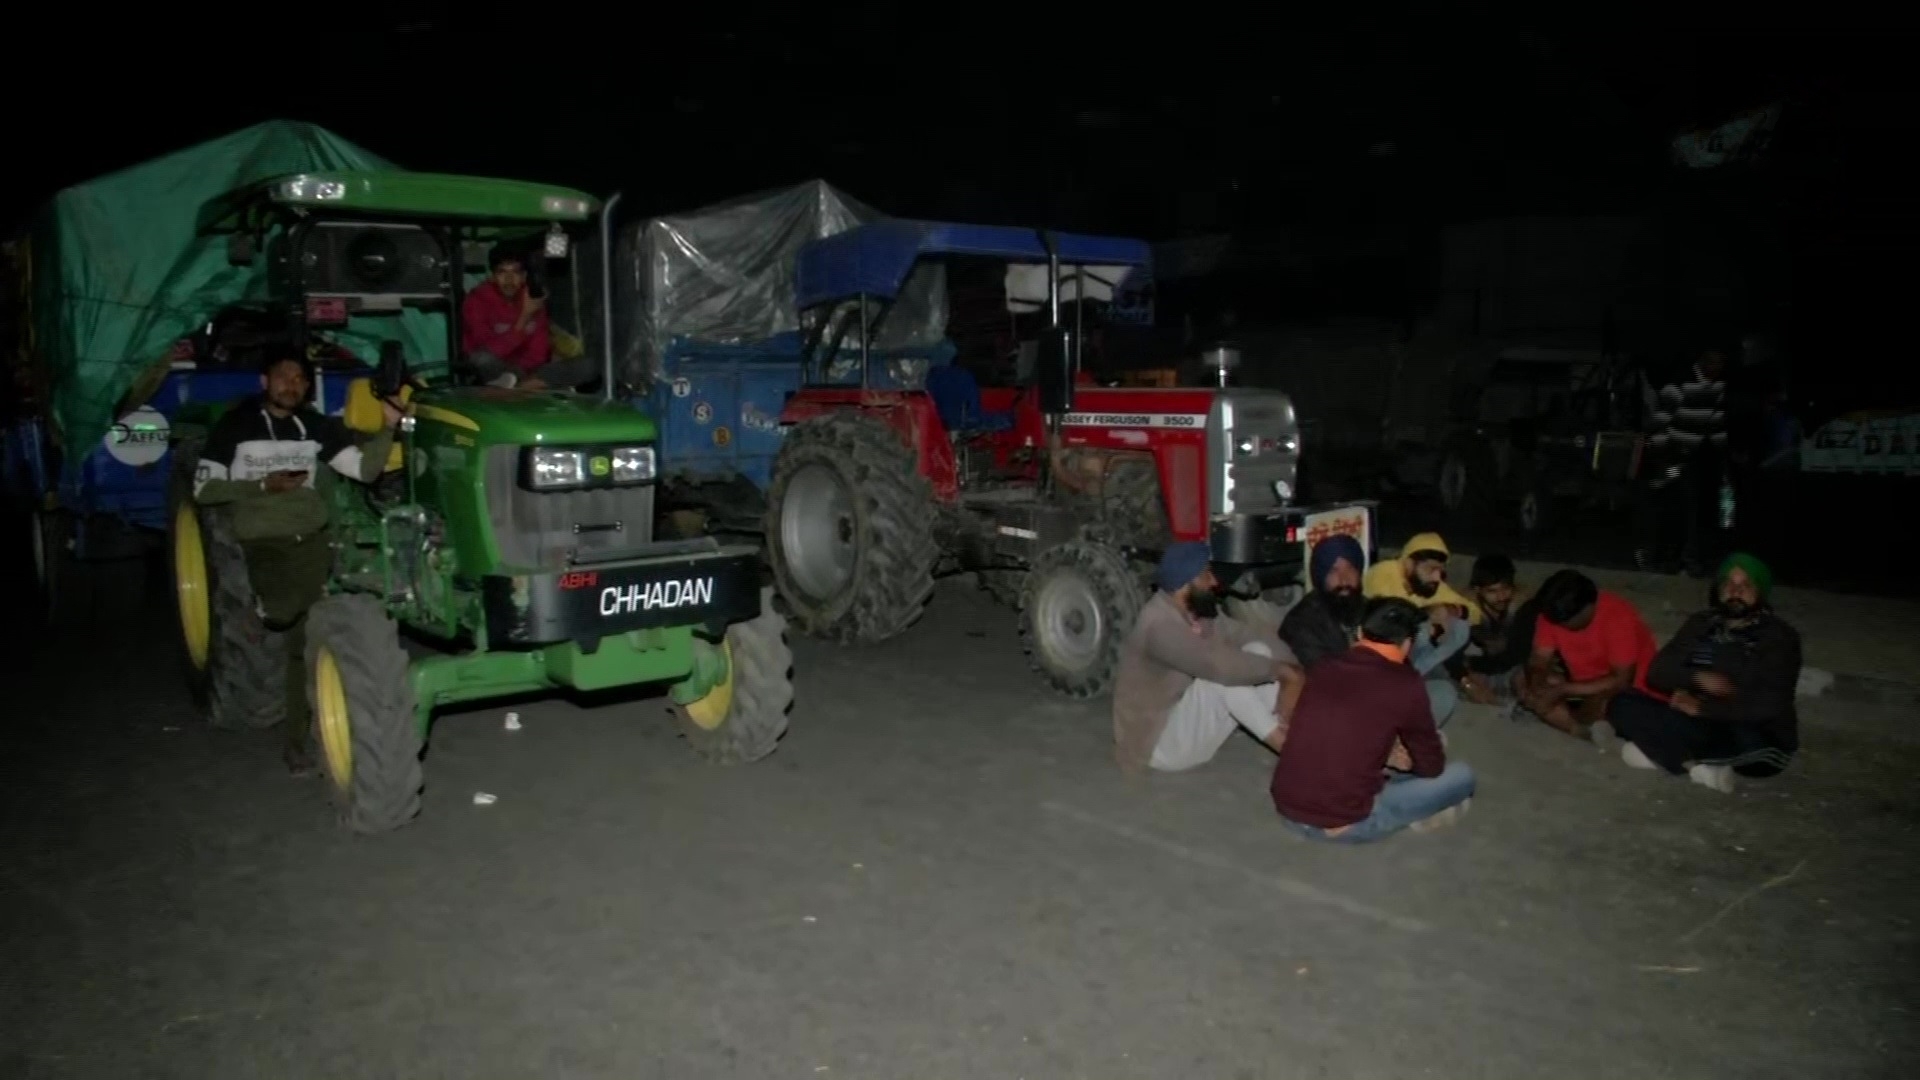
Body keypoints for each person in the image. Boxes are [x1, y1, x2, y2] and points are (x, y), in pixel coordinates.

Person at [193, 351, 405, 774]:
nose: (291, 384)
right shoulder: (237, 427)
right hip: (264, 540)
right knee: (284, 610)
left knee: (302, 644)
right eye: (283, 376)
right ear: (264, 380)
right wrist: (261, 485)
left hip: (309, 541)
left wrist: (387, 427)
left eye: (299, 380)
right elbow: (204, 489)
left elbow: (364, 471)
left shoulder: (315, 428)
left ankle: (297, 743)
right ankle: (262, 608)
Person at [1270, 597, 1477, 843]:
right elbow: (1431, 766)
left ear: (1359, 632)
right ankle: (1407, 807)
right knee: (1462, 776)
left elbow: (1333, 735)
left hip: (1288, 808)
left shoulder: (1325, 667)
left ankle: (1390, 788)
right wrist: (1407, 761)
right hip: (1342, 823)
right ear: (1408, 644)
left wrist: (1390, 755)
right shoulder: (1405, 684)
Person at [1606, 553, 1801, 793]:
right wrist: (1696, 678)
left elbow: (1769, 705)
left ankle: (1668, 755)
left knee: (1745, 740)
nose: (1735, 591)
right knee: (1622, 703)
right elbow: (1658, 672)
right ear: (1718, 590)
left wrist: (1704, 709)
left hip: (1754, 734)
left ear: (1760, 593)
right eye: (1729, 584)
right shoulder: (1702, 624)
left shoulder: (1778, 638)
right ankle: (1696, 767)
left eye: (1745, 586)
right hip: (1701, 723)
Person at [1113, 541, 1305, 774]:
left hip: (1186, 729)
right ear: (1185, 584)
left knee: (1258, 650)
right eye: (1206, 575)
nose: (1214, 582)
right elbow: (1217, 666)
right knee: (1224, 678)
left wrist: (1294, 671)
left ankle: (1291, 726)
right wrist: (1283, 672)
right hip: (1156, 744)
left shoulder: (1196, 612)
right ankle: (1293, 752)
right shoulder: (1158, 625)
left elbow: (1248, 634)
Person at [1521, 568, 1662, 743]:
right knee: (1522, 680)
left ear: (1589, 607)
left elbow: (1622, 680)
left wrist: (1562, 690)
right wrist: (1538, 685)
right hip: (1581, 686)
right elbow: (1539, 658)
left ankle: (1583, 725)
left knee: (1603, 701)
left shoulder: (1617, 615)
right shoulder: (1554, 612)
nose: (1561, 626)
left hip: (1630, 693)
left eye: (1566, 622)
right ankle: (1580, 730)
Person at [1362, 531, 1480, 726]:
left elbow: (1475, 614)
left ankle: (1416, 675)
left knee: (1460, 628)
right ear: (1409, 564)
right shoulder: (1383, 573)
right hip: (1379, 657)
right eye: (1431, 569)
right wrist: (1427, 613)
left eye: (1440, 571)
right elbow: (1390, 620)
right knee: (1423, 631)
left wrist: (1452, 609)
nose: (1437, 577)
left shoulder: (1431, 584)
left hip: (1411, 657)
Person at [1635, 347, 1729, 576]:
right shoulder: (1679, 386)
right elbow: (1659, 423)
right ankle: (1653, 556)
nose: (1717, 368)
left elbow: (1716, 423)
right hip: (1671, 457)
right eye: (1713, 363)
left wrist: (1723, 456)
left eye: (1721, 364)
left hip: (1695, 459)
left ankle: (1684, 561)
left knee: (1692, 510)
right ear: (1703, 361)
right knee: (1666, 506)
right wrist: (1661, 462)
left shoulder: (1718, 387)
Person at [460, 245, 598, 392]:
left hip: (527, 372)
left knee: (589, 366)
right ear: (493, 277)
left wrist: (524, 375)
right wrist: (524, 317)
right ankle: (521, 388)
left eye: (516, 272)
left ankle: (516, 389)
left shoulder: (532, 298)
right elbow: (488, 350)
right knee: (481, 359)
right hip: (495, 369)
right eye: (502, 272)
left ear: (524, 276)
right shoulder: (477, 300)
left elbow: (539, 352)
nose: (509, 279)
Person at [1456, 553, 1539, 708]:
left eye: (1506, 589)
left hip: (1513, 659)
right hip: (1481, 658)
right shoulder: (1464, 604)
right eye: (1492, 591)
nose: (1501, 597)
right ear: (1477, 590)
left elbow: (1521, 652)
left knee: (1526, 685)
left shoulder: (1524, 602)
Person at [1278, 533, 1367, 670]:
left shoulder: (1370, 609)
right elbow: (1324, 673)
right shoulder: (1301, 623)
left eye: (1350, 568)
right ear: (1321, 577)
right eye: (1333, 571)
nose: (1344, 580)